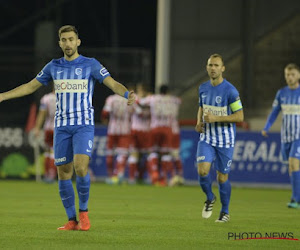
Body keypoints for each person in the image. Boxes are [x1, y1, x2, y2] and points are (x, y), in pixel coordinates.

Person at [0, 25, 135, 231]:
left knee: (80, 167)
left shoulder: (90, 64)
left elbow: (112, 83)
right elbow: (30, 86)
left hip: (83, 125)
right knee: (64, 172)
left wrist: (127, 94)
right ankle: (71, 220)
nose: (68, 43)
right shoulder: (53, 66)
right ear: (60, 43)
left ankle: (84, 214)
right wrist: (3, 96)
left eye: (71, 39)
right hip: (61, 127)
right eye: (64, 40)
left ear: (78, 41)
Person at [195, 54, 243, 222]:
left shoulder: (230, 90)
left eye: (216, 65)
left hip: (225, 140)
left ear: (223, 68)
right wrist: (198, 122)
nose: (213, 68)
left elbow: (240, 116)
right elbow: (201, 107)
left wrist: (217, 119)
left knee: (222, 177)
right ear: (207, 67)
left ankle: (225, 211)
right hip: (207, 137)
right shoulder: (202, 88)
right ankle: (210, 197)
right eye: (210, 65)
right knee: (202, 171)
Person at [262, 63, 300, 208]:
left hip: (298, 135)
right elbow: (274, 112)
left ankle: (296, 199)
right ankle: (296, 196)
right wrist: (266, 127)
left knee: (294, 162)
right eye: (287, 75)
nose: (289, 77)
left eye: (292, 74)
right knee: (291, 167)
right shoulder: (281, 93)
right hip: (286, 136)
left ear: (298, 75)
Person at [101, 87, 134, 184]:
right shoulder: (129, 98)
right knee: (122, 154)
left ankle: (111, 176)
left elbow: (105, 113)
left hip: (112, 129)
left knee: (110, 153)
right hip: (125, 129)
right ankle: (119, 175)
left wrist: (105, 121)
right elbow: (137, 112)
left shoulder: (111, 99)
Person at [34, 89, 57, 183]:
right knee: (54, 152)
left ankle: (46, 174)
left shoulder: (45, 98)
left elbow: (42, 114)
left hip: (47, 128)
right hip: (58, 128)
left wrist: (37, 128)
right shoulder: (63, 97)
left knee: (47, 151)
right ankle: (51, 175)